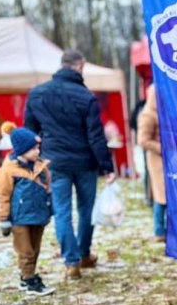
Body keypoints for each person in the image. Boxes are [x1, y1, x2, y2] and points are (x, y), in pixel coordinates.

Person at [24, 49, 116, 280]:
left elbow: (30, 132)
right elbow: (96, 136)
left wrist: (30, 159)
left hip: (54, 161)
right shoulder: (86, 96)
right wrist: (107, 166)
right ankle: (84, 254)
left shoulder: (37, 94)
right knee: (86, 210)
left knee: (62, 211)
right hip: (85, 162)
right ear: (80, 66)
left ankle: (71, 262)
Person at [0, 128, 55, 297]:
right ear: (21, 150)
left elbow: (48, 190)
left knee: (35, 248)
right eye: (33, 149)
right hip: (19, 218)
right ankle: (29, 279)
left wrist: (50, 208)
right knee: (25, 250)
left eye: (38, 148)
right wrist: (4, 219)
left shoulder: (41, 168)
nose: (37, 152)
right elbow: (2, 195)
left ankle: (26, 276)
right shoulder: (8, 171)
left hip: (38, 216)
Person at [137, 83, 166, 243]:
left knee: (167, 195)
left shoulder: (162, 113)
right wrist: (163, 148)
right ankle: (159, 230)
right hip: (157, 159)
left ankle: (166, 229)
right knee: (160, 196)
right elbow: (143, 140)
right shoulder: (147, 115)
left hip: (167, 159)